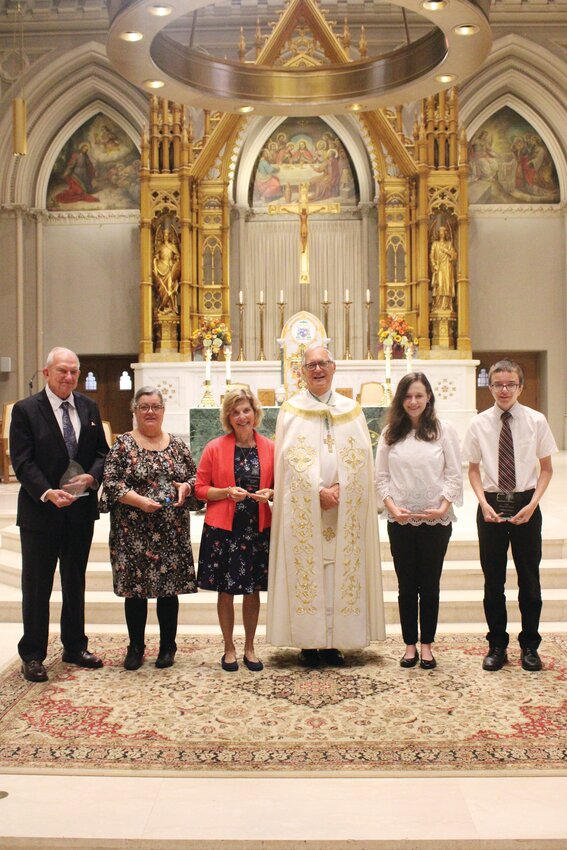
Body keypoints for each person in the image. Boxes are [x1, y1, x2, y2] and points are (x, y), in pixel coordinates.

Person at [267, 344, 385, 667]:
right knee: (312, 570)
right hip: (307, 512)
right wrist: (316, 491)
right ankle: (309, 643)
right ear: (302, 372)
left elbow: (364, 462)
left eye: (323, 363)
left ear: (334, 368)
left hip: (344, 509)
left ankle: (336, 642)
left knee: (338, 571)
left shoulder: (352, 409)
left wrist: (342, 488)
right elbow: (286, 465)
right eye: (311, 365)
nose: (317, 369)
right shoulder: (291, 411)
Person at [10, 347, 109, 682]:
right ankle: (34, 654)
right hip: (41, 512)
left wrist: (93, 477)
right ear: (46, 372)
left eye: (74, 372)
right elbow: (22, 460)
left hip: (79, 512)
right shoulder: (26, 410)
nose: (68, 377)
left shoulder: (88, 407)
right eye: (62, 371)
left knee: (74, 580)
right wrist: (47, 492)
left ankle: (74, 645)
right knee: (36, 585)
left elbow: (101, 453)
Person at [462, 359, 558, 672]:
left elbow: (546, 469)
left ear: (520, 386)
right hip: (490, 505)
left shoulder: (536, 420)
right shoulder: (478, 424)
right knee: (494, 581)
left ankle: (530, 645)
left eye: (510, 384)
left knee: (530, 580)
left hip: (526, 503)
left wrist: (532, 504)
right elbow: (473, 470)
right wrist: (482, 502)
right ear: (489, 387)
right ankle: (497, 645)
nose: (504, 390)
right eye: (498, 384)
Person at [99, 387, 198, 670]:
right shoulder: (123, 445)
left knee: (169, 591)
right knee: (135, 590)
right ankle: (136, 647)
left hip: (170, 531)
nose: (150, 412)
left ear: (163, 410)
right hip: (132, 531)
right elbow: (112, 481)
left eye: (156, 406)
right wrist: (139, 502)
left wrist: (186, 487)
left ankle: (168, 646)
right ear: (135, 411)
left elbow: (193, 475)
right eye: (144, 407)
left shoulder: (177, 445)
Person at [375, 372, 462, 669]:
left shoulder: (443, 430)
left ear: (428, 398)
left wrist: (443, 506)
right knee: (406, 585)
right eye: (408, 396)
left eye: (419, 396)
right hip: (400, 521)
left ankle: (427, 645)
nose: (413, 401)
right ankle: (409, 645)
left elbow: (454, 473)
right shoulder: (390, 433)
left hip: (436, 521)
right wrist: (391, 507)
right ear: (401, 400)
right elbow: (381, 478)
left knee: (430, 584)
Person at [195, 388, 274, 672]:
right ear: (229, 417)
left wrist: (271, 492)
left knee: (253, 590)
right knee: (225, 590)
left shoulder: (270, 447)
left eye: (246, 410)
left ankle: (250, 647)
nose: (242, 417)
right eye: (236, 412)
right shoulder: (214, 447)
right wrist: (226, 492)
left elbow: (281, 487)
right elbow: (200, 489)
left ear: (255, 413)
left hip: (256, 528)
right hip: (224, 530)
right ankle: (229, 647)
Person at [430, 225, 457, 311]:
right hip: (439, 267)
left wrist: (447, 251)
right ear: (438, 233)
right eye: (440, 232)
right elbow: (431, 256)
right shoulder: (435, 244)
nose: (442, 234)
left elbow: (454, 256)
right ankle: (438, 306)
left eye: (443, 232)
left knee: (446, 286)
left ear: (446, 233)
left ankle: (446, 306)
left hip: (447, 268)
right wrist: (434, 265)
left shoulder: (448, 244)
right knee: (439, 285)